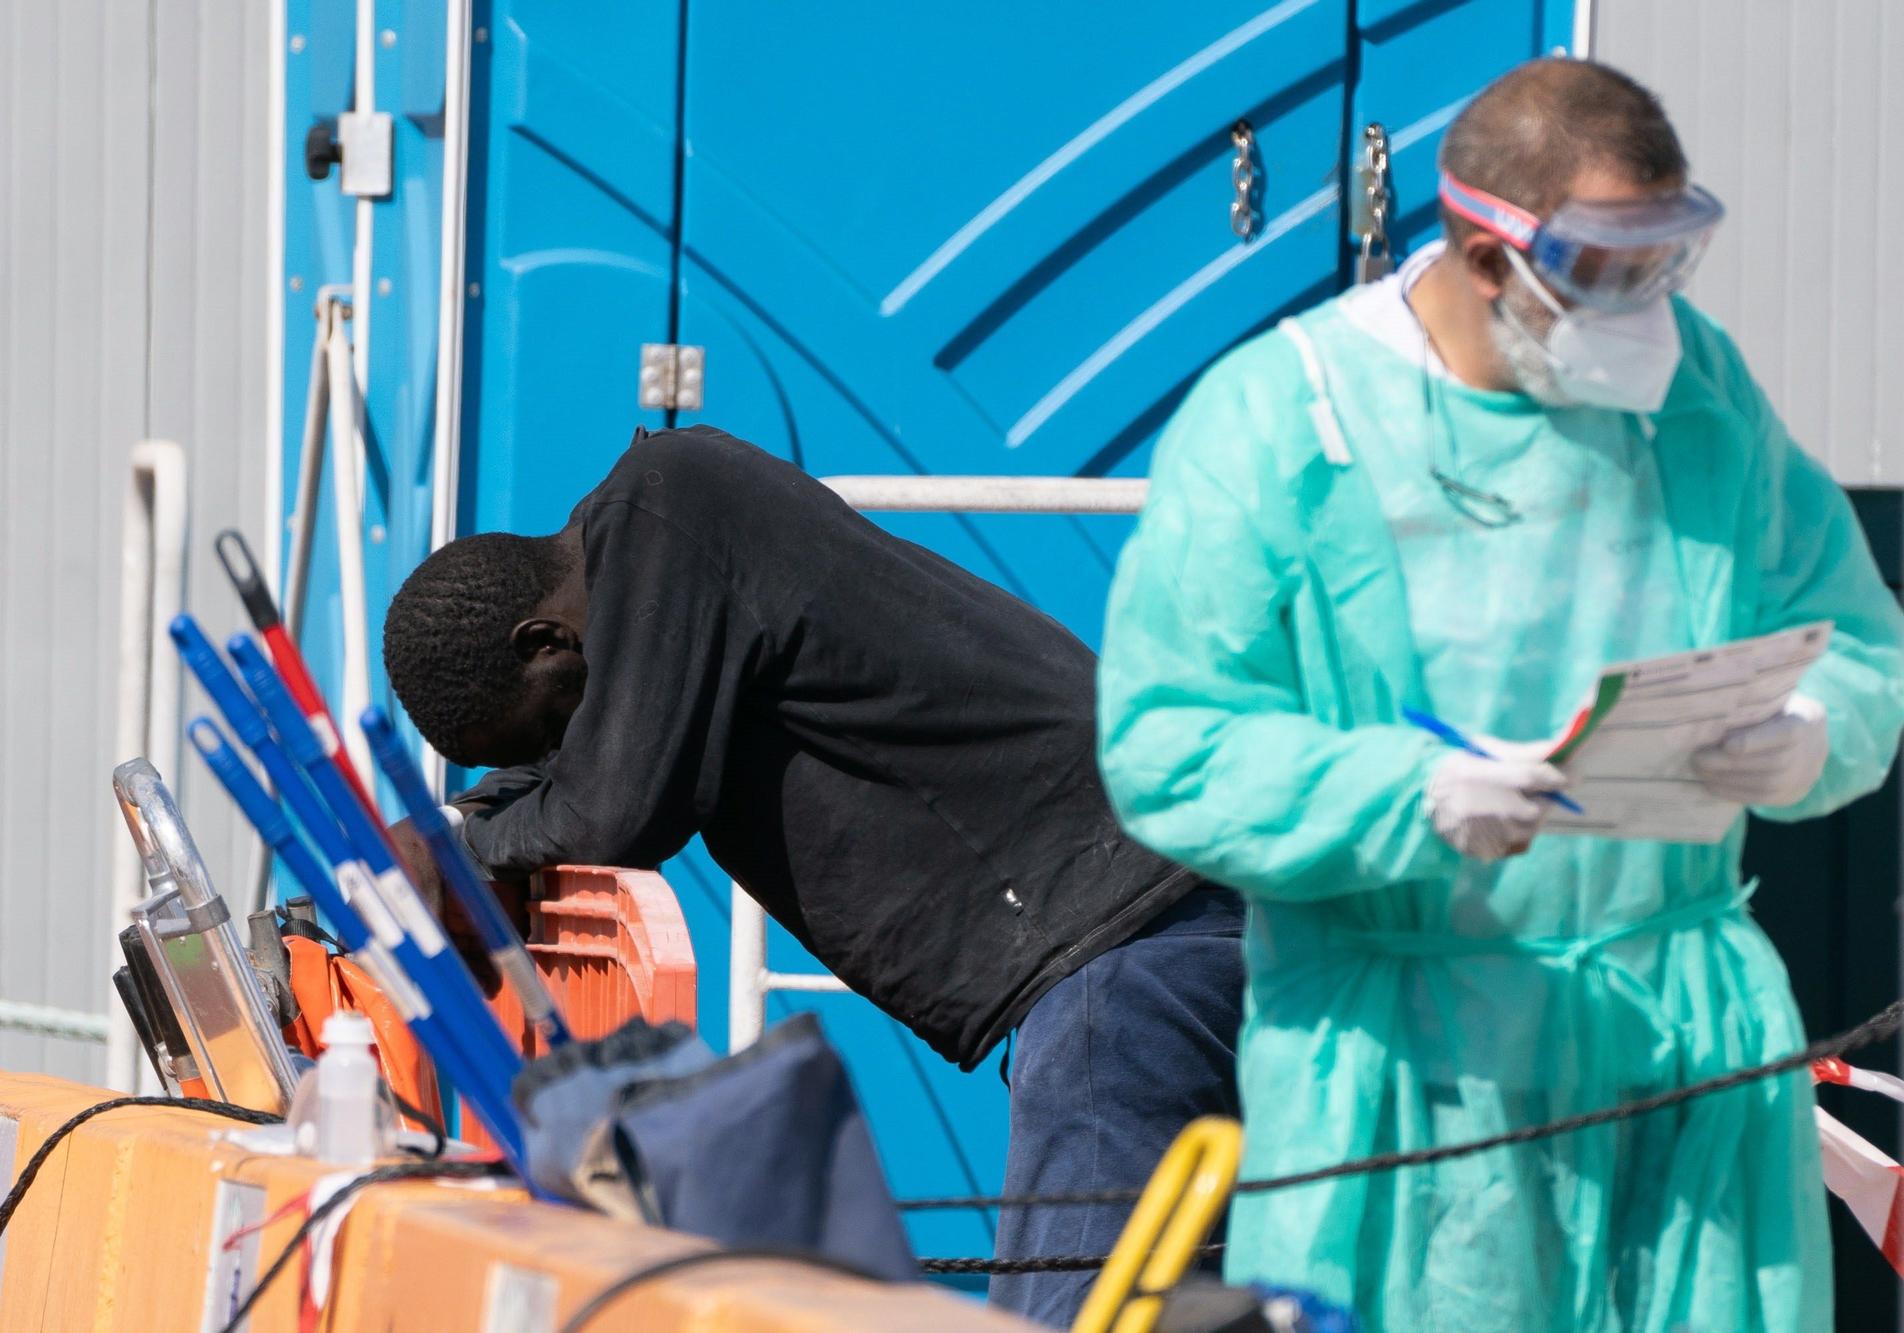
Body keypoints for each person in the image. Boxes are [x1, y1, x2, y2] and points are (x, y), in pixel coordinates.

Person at [1097, 57, 1904, 1332]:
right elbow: (1167, 741)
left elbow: (1853, 634)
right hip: (1409, 1069)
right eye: (1604, 269)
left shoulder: (1692, 396)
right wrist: (1398, 794)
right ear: (1484, 256)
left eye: (1664, 260)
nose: (1645, 307)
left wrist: (1812, 732)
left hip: (1678, 1050)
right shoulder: (1282, 425)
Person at [379, 424, 1241, 1325]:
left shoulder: (668, 502)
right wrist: (467, 819)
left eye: (549, 728)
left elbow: (610, 809)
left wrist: (461, 854)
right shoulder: (664, 548)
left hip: (1121, 951)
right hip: (1129, 938)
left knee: (1077, 1316)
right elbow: (584, 775)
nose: (558, 751)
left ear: (546, 642)